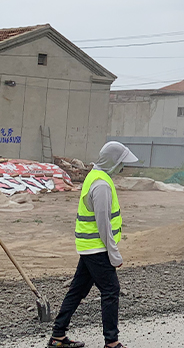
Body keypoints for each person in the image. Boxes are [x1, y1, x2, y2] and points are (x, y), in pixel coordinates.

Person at [47, 141, 138, 348]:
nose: (123, 168)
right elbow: (103, 223)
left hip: (88, 247)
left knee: (77, 291)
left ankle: (58, 336)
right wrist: (114, 254)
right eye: (121, 163)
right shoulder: (102, 185)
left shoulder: (94, 177)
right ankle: (112, 342)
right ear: (113, 162)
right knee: (111, 290)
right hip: (97, 248)